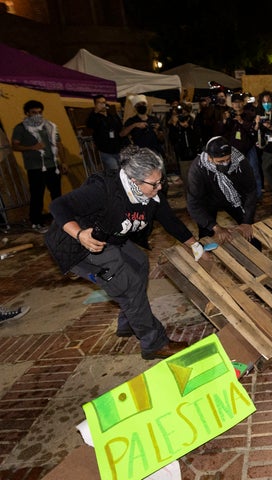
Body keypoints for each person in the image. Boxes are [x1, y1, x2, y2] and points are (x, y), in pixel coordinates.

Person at [44, 145, 205, 360]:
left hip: (109, 236)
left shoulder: (151, 195)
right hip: (79, 243)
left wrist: (196, 246)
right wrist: (80, 234)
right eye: (154, 183)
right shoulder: (104, 188)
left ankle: (129, 319)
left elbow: (170, 221)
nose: (159, 187)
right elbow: (58, 206)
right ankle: (153, 343)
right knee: (129, 287)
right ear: (134, 181)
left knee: (139, 263)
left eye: (161, 181)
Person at [185, 136, 257, 243]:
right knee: (207, 237)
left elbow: (251, 190)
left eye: (228, 160)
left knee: (250, 233)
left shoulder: (240, 162)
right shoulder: (197, 170)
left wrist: (247, 221)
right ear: (210, 157)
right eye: (220, 161)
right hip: (208, 201)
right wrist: (215, 227)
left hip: (233, 197)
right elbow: (193, 204)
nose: (225, 163)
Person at [12, 99, 66, 233]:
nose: (37, 115)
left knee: (57, 194)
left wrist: (63, 161)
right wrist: (32, 147)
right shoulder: (21, 128)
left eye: (39, 112)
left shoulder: (50, 126)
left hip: (52, 164)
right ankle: (36, 221)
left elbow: (59, 144)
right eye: (33, 113)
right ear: (27, 113)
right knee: (37, 195)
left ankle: (61, 219)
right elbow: (15, 145)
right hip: (35, 167)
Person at [86, 94, 125, 172]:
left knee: (123, 171)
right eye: (99, 103)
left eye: (103, 102)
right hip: (106, 151)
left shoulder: (112, 116)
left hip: (118, 149)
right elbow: (89, 125)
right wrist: (95, 112)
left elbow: (120, 128)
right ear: (95, 104)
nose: (102, 105)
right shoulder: (94, 117)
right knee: (114, 171)